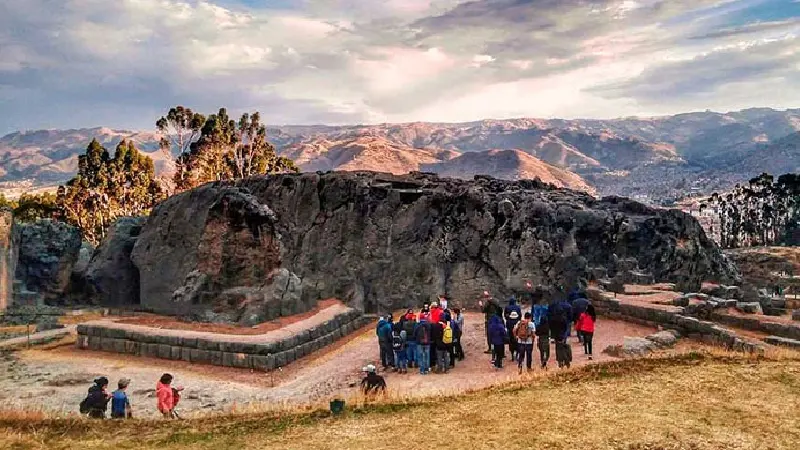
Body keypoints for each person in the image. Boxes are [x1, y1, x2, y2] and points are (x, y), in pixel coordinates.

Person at [504, 296, 522, 361]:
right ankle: (517, 353)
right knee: (517, 339)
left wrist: (509, 319)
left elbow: (505, 316)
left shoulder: (507, 307)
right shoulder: (518, 308)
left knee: (511, 340)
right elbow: (520, 316)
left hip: (509, 325)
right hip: (517, 325)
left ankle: (512, 354)